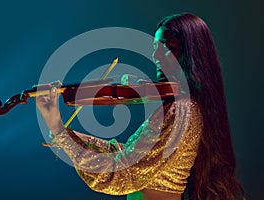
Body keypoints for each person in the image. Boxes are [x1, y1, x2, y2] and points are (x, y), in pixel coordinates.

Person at [35, 13, 244, 200]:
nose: (156, 56)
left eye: (168, 48)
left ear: (191, 53)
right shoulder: (183, 107)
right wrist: (69, 136)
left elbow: (122, 175)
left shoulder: (183, 109)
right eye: (155, 49)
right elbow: (129, 155)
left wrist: (58, 129)